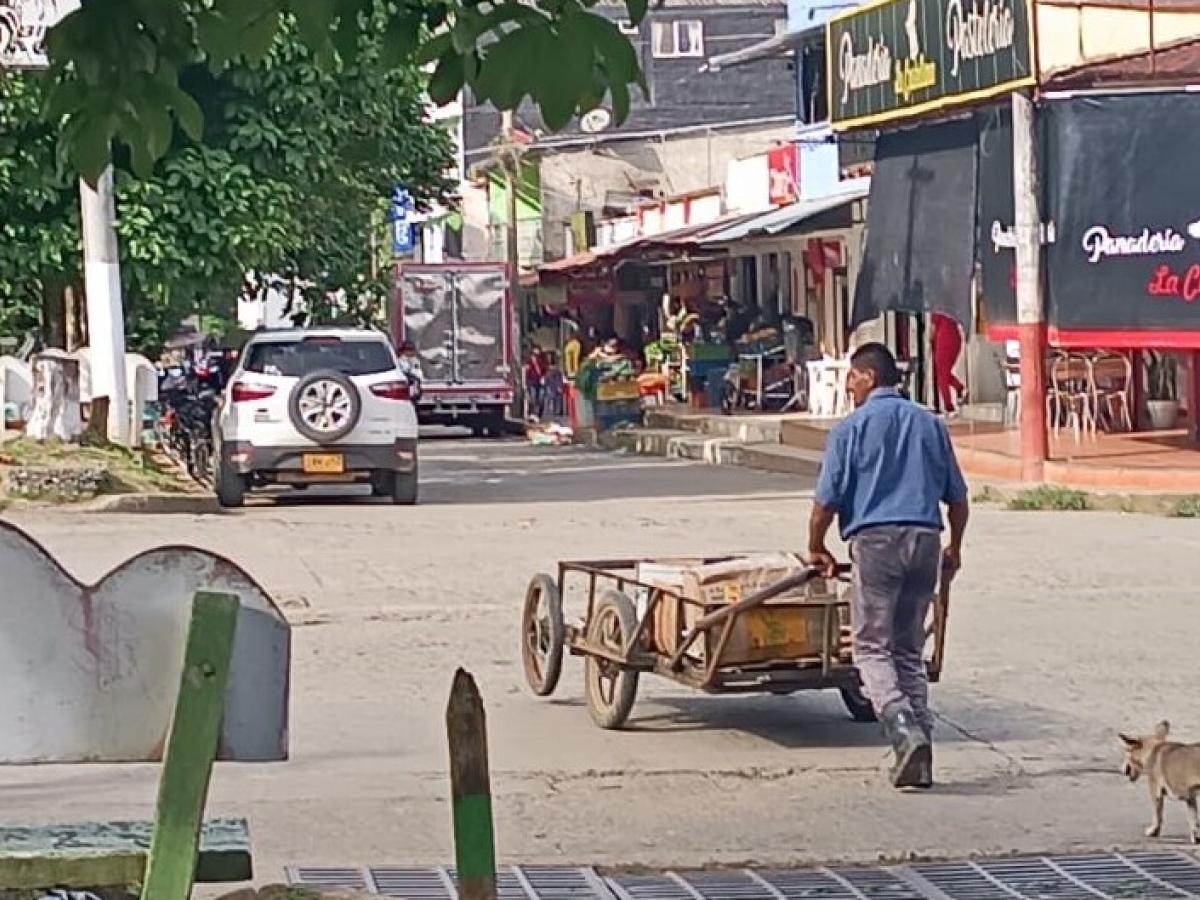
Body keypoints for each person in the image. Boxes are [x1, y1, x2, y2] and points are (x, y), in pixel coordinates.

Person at [805, 343, 969, 790]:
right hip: (926, 539)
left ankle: (902, 729)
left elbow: (826, 502)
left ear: (869, 377)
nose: (848, 387)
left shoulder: (851, 429)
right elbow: (957, 499)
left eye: (852, 379)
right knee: (908, 649)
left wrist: (816, 545)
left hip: (876, 542)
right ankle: (923, 755)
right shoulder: (930, 425)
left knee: (872, 649)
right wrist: (954, 548)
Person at [931, 312, 966, 415]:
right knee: (944, 373)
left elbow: (933, 327)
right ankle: (959, 387)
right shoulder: (950, 307)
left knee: (941, 375)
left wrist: (931, 339)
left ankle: (948, 406)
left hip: (943, 340)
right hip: (955, 338)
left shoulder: (936, 308)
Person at [523, 345, 548, 419]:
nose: (536, 351)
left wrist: (544, 377)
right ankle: (532, 413)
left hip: (541, 381)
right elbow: (527, 370)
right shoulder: (529, 359)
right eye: (535, 350)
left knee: (541, 399)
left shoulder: (543, 359)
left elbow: (545, 369)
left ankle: (539, 414)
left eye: (537, 350)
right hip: (532, 381)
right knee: (533, 397)